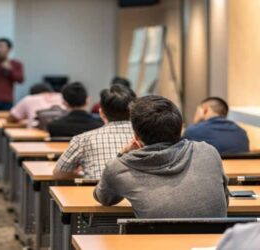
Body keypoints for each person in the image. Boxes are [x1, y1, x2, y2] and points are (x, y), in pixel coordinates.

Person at [94, 95, 229, 218]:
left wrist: (121, 155)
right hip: (216, 243)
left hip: (156, 244)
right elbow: (225, 200)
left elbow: (104, 198)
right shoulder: (208, 151)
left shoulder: (119, 168)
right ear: (180, 128)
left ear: (135, 136)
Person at [53, 84, 136, 180]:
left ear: (101, 113)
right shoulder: (147, 136)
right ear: (133, 111)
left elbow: (58, 174)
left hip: (94, 194)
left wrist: (82, 174)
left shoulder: (83, 139)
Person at [183, 97, 249, 154]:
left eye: (197, 111)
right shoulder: (242, 133)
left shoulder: (192, 131)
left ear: (205, 110)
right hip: (239, 168)